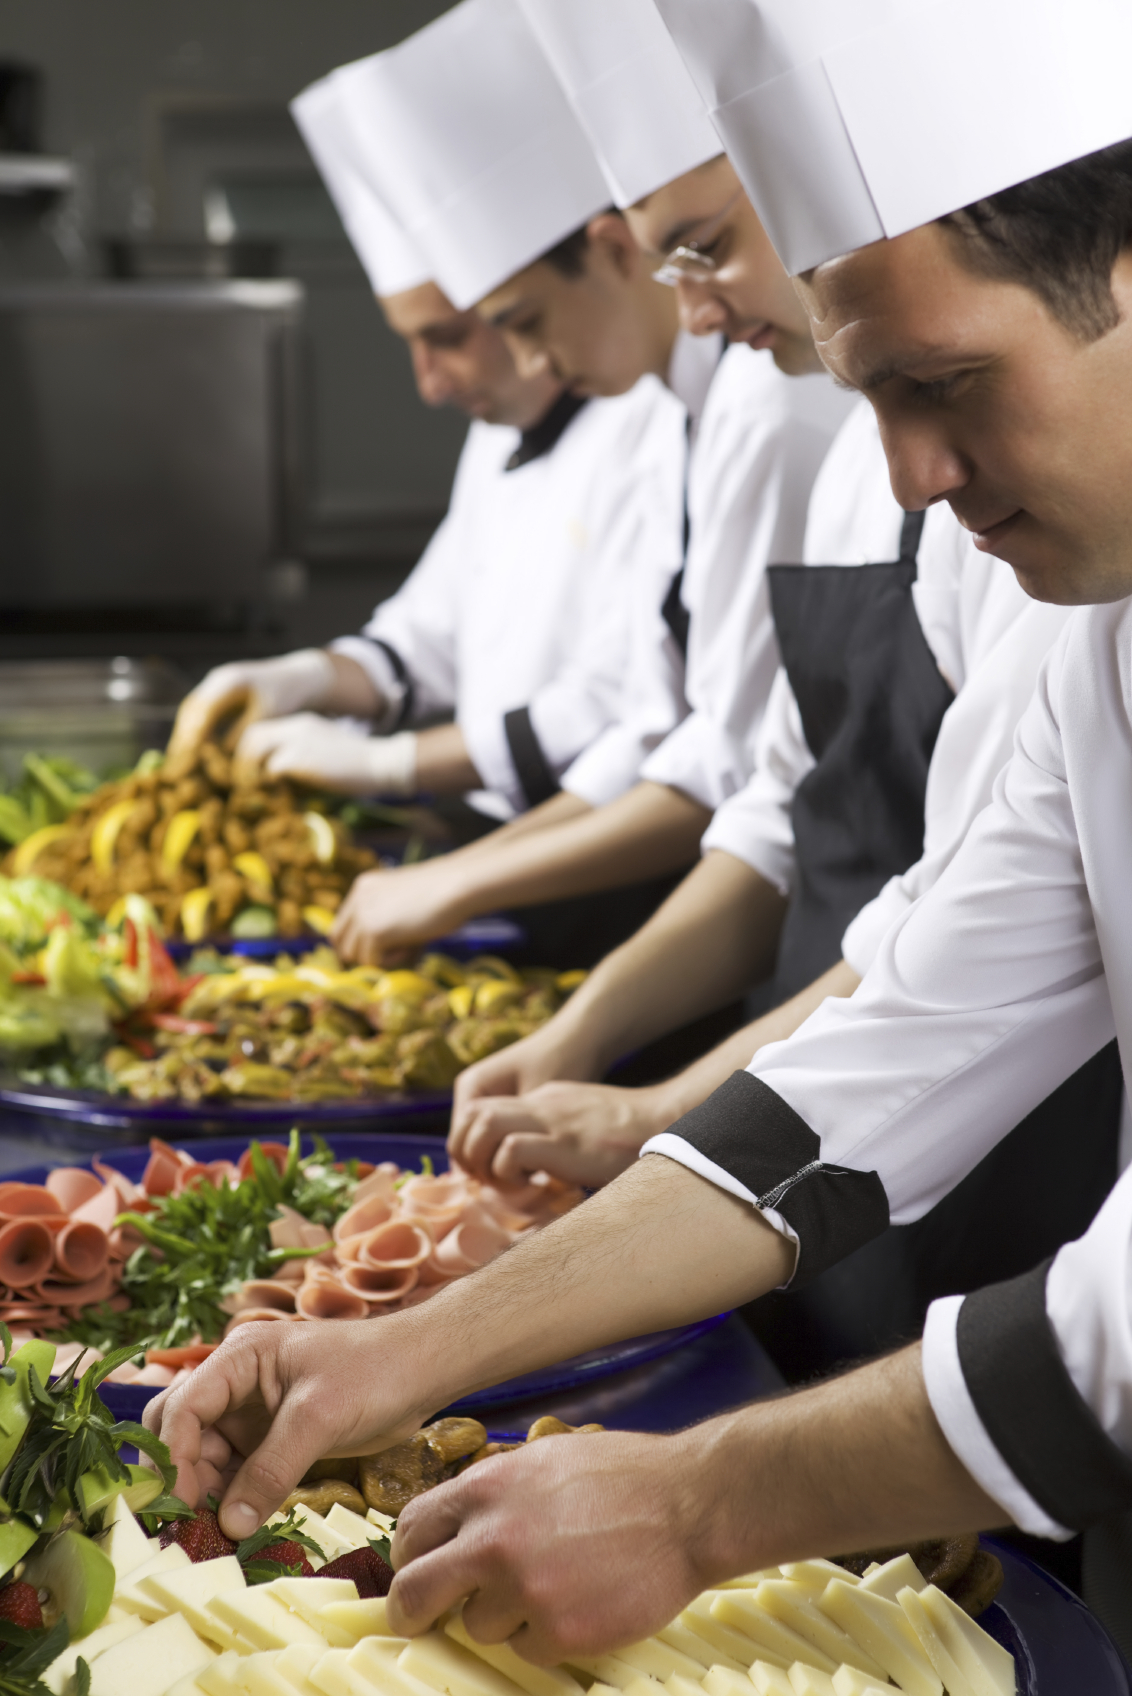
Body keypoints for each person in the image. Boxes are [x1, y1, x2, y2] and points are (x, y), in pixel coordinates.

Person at [149, 0, 1132, 1658]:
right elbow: (891, 1053)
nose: (906, 479)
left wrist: (694, 1502)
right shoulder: (1095, 633)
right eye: (867, 394)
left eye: (946, 382)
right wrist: (401, 1350)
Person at [325, 0, 853, 967]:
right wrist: (456, 869)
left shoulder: (767, 405)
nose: (533, 366)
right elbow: (665, 725)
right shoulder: (679, 411)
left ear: (611, 252)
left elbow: (724, 762)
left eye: (523, 322)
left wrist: (445, 852)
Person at [166, 58, 689, 862]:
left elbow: (623, 705)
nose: (430, 385)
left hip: (610, 848)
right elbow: (426, 638)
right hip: (500, 836)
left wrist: (390, 763)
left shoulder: (651, 420)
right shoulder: (499, 435)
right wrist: (308, 676)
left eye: (449, 337)